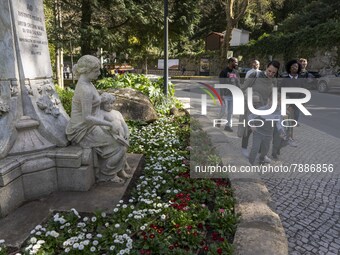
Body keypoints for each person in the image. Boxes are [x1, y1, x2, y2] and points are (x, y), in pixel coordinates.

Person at [66, 55, 131, 183]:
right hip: (82, 129)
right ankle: (107, 174)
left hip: (93, 122)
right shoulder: (85, 89)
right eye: (96, 71)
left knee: (121, 135)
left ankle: (117, 169)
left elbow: (94, 106)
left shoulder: (88, 83)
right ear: (86, 71)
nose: (99, 73)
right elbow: (86, 118)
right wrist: (110, 124)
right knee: (119, 145)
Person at [240, 60, 281, 162]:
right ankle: (244, 148)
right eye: (269, 71)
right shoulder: (255, 75)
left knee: (262, 130)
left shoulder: (274, 80)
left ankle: (260, 154)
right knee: (248, 129)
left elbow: (274, 94)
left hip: (264, 109)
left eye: (273, 72)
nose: (271, 74)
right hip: (251, 106)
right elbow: (243, 88)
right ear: (266, 67)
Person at [248, 94, 286, 165]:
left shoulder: (278, 112)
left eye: (277, 103)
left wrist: (281, 132)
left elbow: (279, 123)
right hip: (258, 132)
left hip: (268, 134)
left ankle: (262, 158)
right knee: (255, 148)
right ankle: (250, 164)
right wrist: (252, 124)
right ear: (269, 100)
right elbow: (250, 116)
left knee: (265, 150)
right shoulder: (262, 109)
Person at [279, 59, 305, 147]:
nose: (294, 68)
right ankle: (286, 137)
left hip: (297, 104)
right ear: (289, 68)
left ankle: (289, 136)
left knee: (294, 121)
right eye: (293, 66)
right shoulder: (285, 79)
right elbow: (280, 91)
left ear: (298, 68)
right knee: (286, 121)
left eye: (296, 66)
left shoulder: (301, 79)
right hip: (287, 104)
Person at [217, 57, 240, 132]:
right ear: (230, 62)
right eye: (235, 62)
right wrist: (221, 95)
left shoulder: (236, 72)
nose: (236, 64)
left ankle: (228, 126)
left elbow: (237, 83)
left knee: (230, 111)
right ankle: (219, 120)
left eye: (237, 62)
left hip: (232, 95)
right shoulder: (224, 72)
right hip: (225, 95)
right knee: (224, 110)